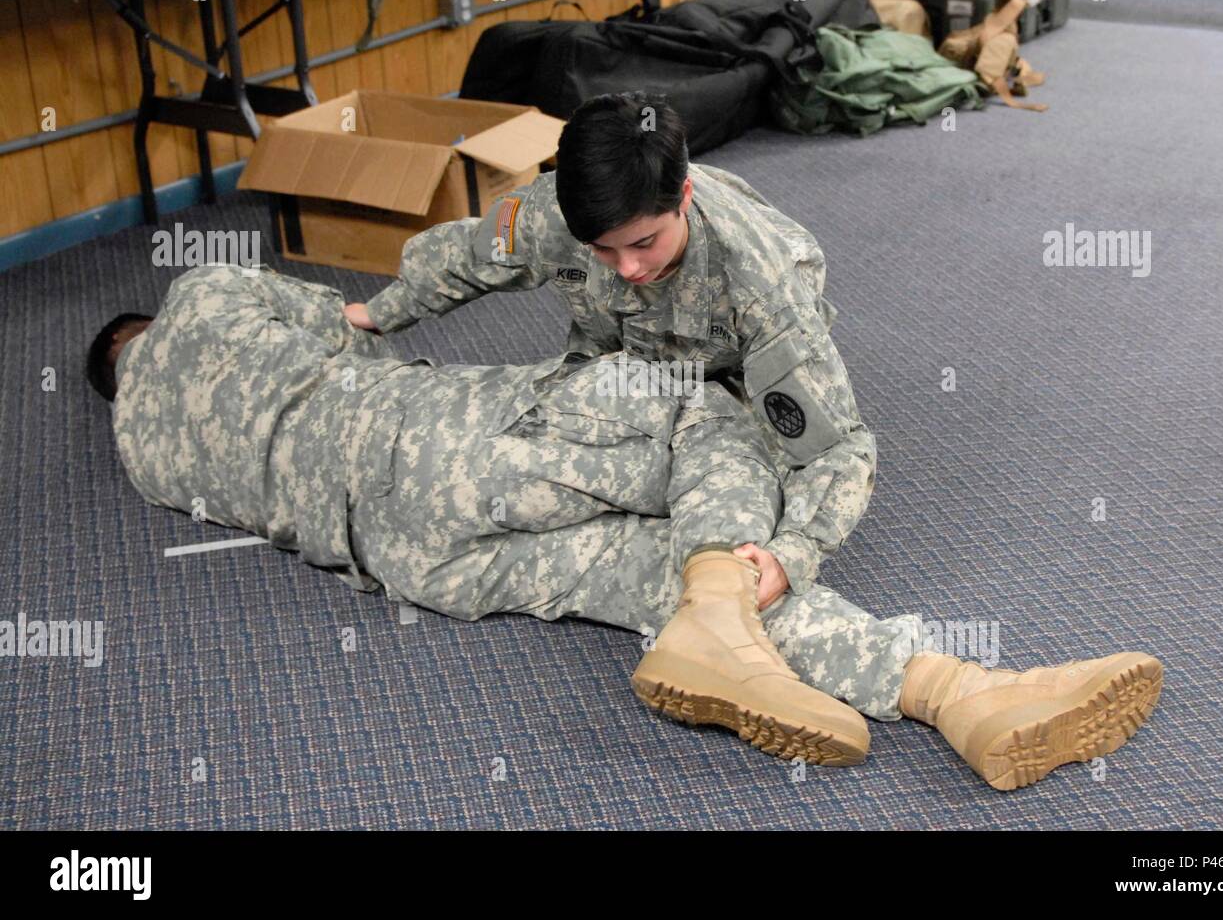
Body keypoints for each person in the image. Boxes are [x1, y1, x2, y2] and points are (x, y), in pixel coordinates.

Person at [91, 265, 1163, 789]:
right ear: (146, 324)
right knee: (700, 406)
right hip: (421, 434)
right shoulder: (207, 292)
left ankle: (950, 696)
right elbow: (350, 326)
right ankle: (931, 676)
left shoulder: (140, 456)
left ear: (114, 378)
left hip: (403, 557)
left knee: (668, 573)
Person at [345, 91, 876, 732]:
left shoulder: (765, 293)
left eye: (644, 243)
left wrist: (795, 552)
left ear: (683, 199)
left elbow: (838, 447)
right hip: (621, 372)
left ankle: (737, 630)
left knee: (744, 490)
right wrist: (381, 313)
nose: (627, 268)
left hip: (729, 384)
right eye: (602, 250)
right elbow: (470, 255)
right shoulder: (556, 210)